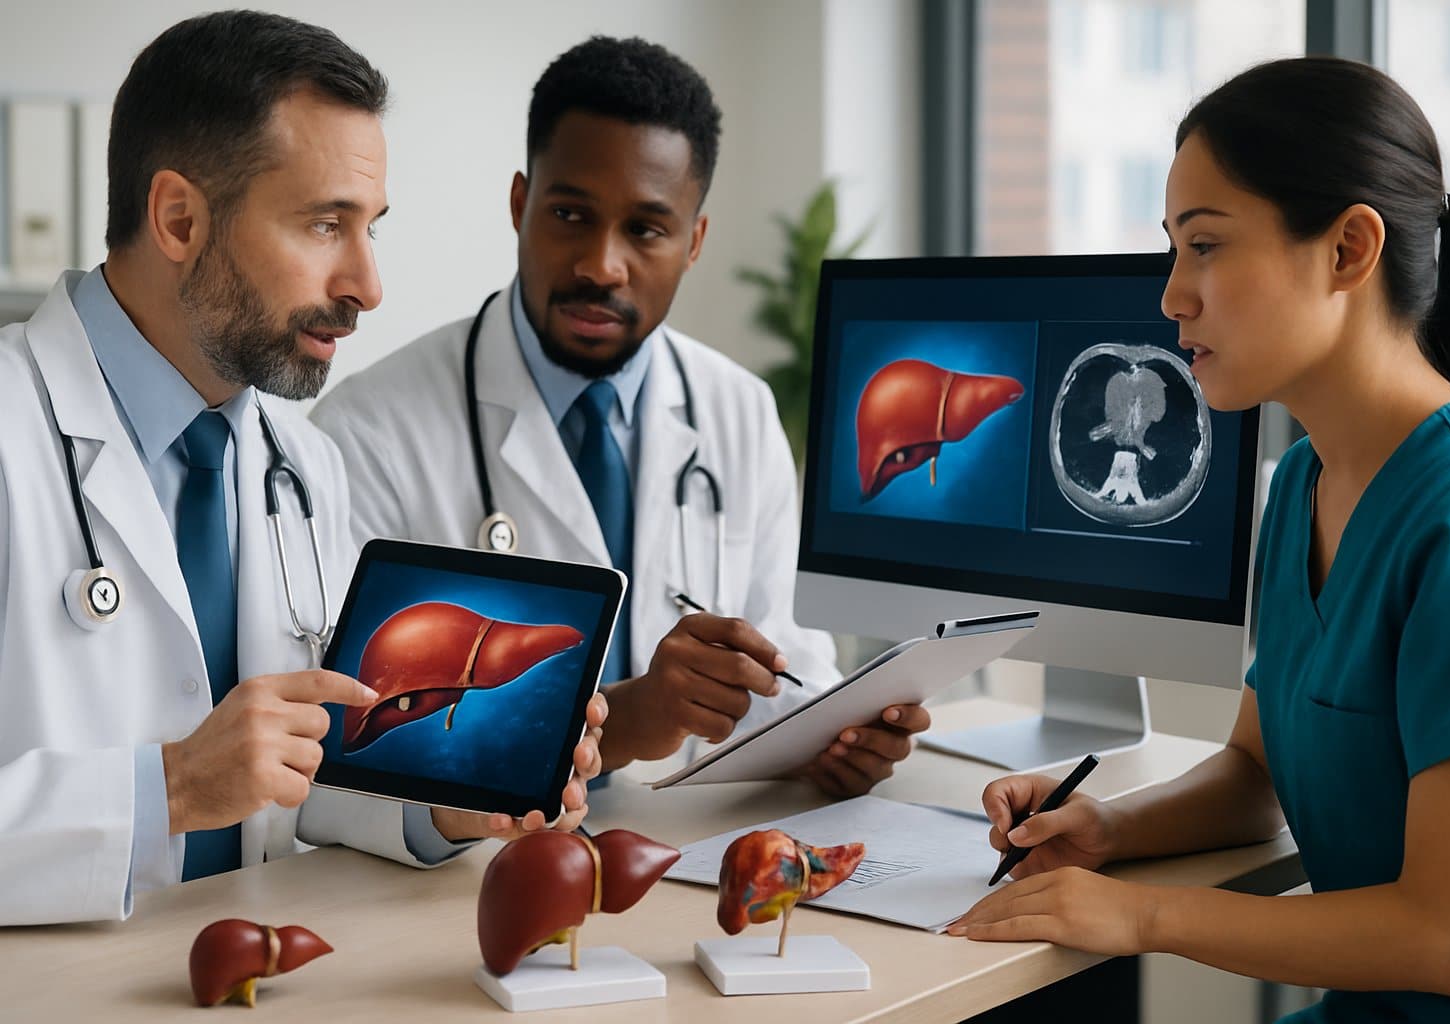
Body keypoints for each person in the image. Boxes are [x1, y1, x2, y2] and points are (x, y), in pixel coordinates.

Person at [948, 57, 1450, 1018]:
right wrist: (1106, 830)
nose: (1173, 295)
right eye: (1173, 251)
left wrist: (1140, 918)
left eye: (1206, 247)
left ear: (1349, 249)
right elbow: (1259, 774)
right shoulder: (1304, 480)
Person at [0, 11, 602, 927]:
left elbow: (299, 772)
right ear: (178, 219)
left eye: (372, 229)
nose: (367, 283)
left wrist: (443, 804)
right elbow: (201, 787)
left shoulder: (302, 466)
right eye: (326, 224)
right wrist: (163, 791)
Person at [312, 36, 927, 795]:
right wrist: (624, 723)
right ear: (519, 204)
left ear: (694, 241)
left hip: (689, 858)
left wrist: (831, 740)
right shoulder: (366, 433)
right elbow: (349, 758)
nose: (602, 265)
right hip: (471, 885)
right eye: (570, 213)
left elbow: (791, 665)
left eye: (645, 229)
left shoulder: (738, 410)